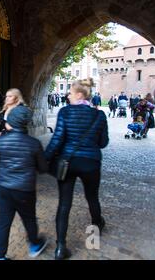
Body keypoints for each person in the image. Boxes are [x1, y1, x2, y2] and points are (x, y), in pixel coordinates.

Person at [45, 78, 109, 260]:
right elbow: (103, 143)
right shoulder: (99, 115)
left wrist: (44, 159)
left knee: (64, 204)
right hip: (91, 163)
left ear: (79, 94)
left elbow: (57, 140)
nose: (68, 95)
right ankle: (97, 223)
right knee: (92, 197)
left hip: (68, 163)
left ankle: (60, 248)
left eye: (71, 92)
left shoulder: (65, 112)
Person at [0, 106, 49, 260]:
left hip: (4, 188)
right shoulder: (34, 143)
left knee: (3, 222)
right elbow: (43, 168)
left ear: (11, 123)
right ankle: (35, 244)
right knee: (29, 218)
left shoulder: (0, 141)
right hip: (25, 190)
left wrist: (0, 179)